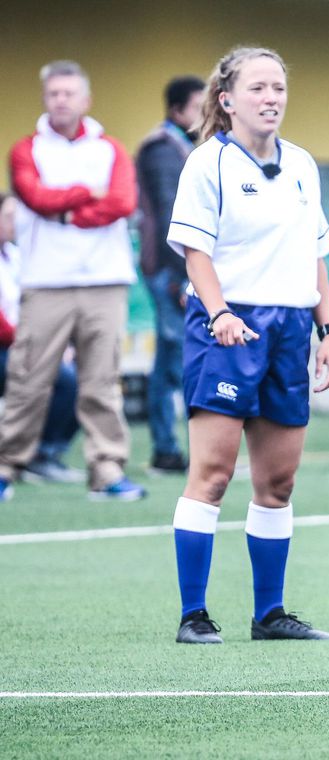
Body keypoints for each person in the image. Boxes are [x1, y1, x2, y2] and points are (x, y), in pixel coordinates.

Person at [166, 47, 329, 644]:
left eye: (279, 89)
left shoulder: (302, 165)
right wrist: (219, 314)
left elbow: (314, 253)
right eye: (258, 88)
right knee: (211, 476)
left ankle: (270, 613)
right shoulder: (206, 164)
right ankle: (194, 613)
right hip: (227, 329)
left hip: (291, 330)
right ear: (227, 99)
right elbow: (196, 254)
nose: (271, 99)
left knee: (278, 483)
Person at [0, 60, 144, 501]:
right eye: (53, 93)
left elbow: (121, 202)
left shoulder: (111, 150)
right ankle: (7, 468)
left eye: (69, 93)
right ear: (45, 98)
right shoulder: (26, 150)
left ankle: (107, 471)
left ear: (86, 99)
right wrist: (84, 195)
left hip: (106, 280)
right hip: (44, 281)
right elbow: (34, 196)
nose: (60, 100)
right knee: (28, 379)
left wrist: (65, 211)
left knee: (101, 382)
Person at [137, 75, 206, 474]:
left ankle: (168, 450)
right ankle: (173, 450)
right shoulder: (163, 150)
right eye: (198, 107)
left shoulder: (181, 146)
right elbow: (169, 217)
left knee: (169, 360)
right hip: (169, 270)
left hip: (172, 270)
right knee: (177, 362)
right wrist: (184, 277)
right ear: (177, 110)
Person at [0, 192, 83, 483]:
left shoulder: (17, 256)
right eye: (8, 217)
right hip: (9, 347)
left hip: (27, 343)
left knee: (82, 377)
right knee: (61, 379)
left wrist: (61, 342)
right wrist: (43, 343)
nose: (14, 223)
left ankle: (45, 453)